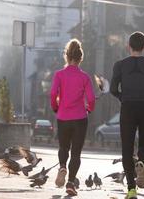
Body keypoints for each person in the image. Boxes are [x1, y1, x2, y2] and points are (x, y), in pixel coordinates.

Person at [110, 31, 144, 199]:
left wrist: (122, 98)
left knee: (127, 149)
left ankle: (132, 189)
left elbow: (113, 89)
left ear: (129, 47)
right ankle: (141, 161)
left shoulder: (120, 65)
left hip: (128, 107)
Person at [50, 38, 95, 196]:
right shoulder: (85, 77)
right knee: (76, 153)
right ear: (80, 58)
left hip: (63, 117)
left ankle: (62, 166)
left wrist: (56, 107)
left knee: (63, 147)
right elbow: (90, 98)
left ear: (67, 56)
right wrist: (89, 109)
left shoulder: (59, 75)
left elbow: (52, 93)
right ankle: (70, 183)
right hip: (80, 119)